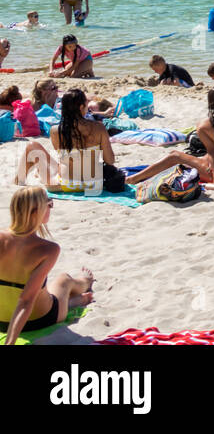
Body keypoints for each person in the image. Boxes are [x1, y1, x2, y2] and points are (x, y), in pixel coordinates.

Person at [1, 186, 95, 345]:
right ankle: (86, 282)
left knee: (46, 289)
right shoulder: (49, 249)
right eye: (49, 204)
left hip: (2, 321)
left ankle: (73, 301)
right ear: (36, 211)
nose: (50, 208)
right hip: (40, 319)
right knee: (64, 279)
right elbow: (25, 301)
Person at [129, 85, 214, 190]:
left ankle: (134, 178)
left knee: (174, 155)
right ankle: (138, 177)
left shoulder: (204, 125)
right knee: (200, 158)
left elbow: (213, 152)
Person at [17, 89, 117, 192]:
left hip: (66, 184)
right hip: (94, 184)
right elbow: (110, 160)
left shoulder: (55, 130)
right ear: (81, 107)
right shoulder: (99, 128)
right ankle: (34, 175)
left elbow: (62, 156)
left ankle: (18, 181)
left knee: (32, 146)